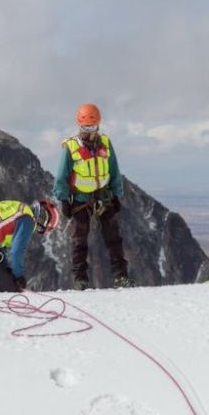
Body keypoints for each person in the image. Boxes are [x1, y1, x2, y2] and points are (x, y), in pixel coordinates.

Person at [54, 103, 130, 290]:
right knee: (79, 241)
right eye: (86, 128)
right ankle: (80, 280)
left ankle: (121, 277)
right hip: (80, 200)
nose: (89, 132)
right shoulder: (70, 148)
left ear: (98, 125)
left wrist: (117, 194)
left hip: (104, 197)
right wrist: (64, 199)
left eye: (93, 127)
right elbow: (61, 175)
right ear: (79, 126)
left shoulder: (105, 143)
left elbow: (114, 170)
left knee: (114, 239)